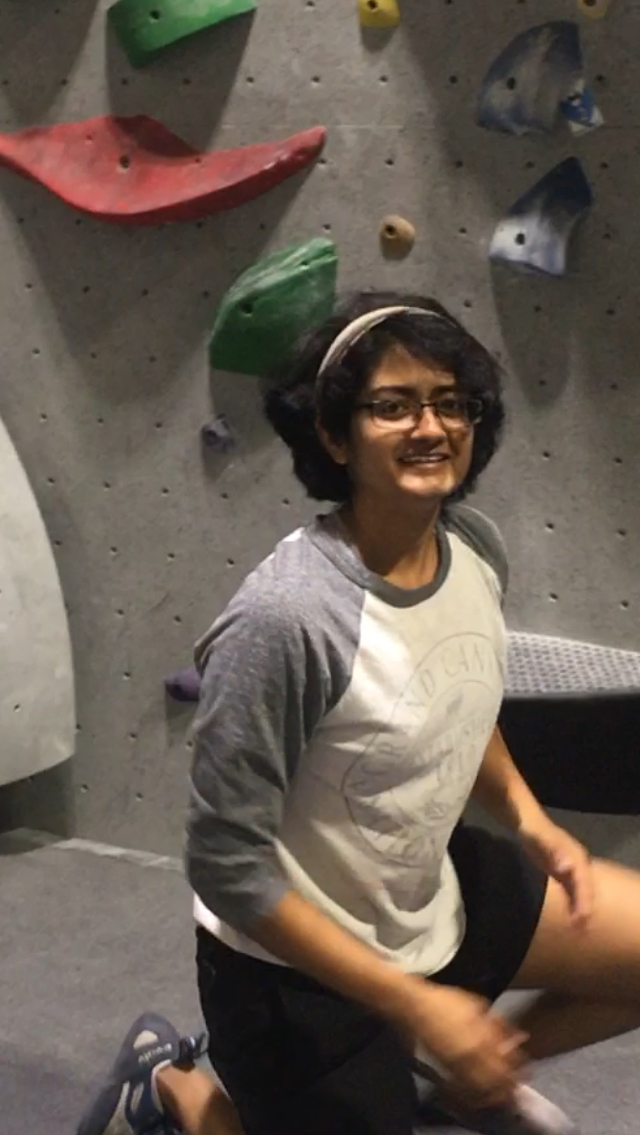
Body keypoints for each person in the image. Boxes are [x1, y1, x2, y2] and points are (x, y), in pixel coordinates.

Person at [78, 294, 640, 1135]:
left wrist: (527, 816)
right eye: (393, 404)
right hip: (289, 971)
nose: (432, 425)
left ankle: (455, 1088)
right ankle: (178, 1092)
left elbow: (459, 693)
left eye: (453, 402)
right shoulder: (288, 618)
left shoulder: (472, 547)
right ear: (335, 438)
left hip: (425, 889)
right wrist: (417, 1006)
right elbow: (226, 866)